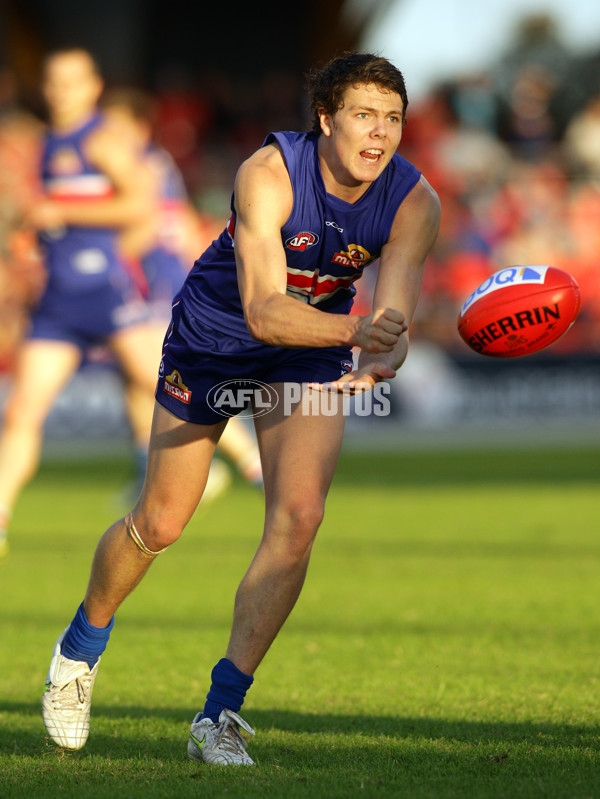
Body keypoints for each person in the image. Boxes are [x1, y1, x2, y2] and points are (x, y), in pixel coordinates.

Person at [41, 52, 441, 764]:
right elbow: (262, 310)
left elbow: (395, 316)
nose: (379, 133)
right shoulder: (268, 173)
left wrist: (385, 353)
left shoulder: (415, 202)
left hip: (310, 346)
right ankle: (79, 650)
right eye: (362, 115)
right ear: (325, 119)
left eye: (392, 119)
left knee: (300, 518)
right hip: (219, 333)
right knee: (161, 520)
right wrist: (360, 332)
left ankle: (218, 716)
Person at [0, 48, 159, 557]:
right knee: (22, 410)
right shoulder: (45, 143)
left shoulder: (103, 141)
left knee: (169, 388)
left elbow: (141, 205)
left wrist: (60, 209)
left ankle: (256, 466)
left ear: (93, 87)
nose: (61, 91)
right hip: (58, 301)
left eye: (71, 82)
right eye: (53, 82)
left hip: (104, 292)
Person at [100, 88, 263, 499]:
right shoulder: (155, 164)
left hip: (154, 280)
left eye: (117, 127)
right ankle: (150, 474)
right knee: (137, 380)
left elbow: (145, 224)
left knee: (162, 375)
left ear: (139, 129)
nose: (107, 136)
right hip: (150, 277)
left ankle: (250, 461)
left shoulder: (139, 166)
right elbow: (184, 220)